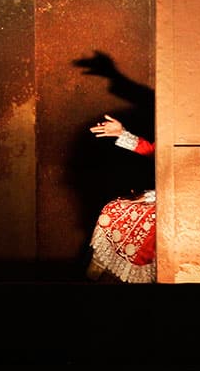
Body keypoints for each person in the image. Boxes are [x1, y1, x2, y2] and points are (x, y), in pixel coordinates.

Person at [86, 115, 156, 283]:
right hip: (166, 193)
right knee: (114, 209)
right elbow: (153, 151)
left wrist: (154, 196)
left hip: (182, 201)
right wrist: (121, 133)